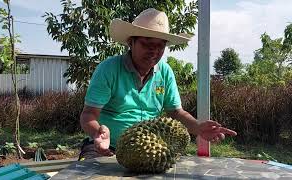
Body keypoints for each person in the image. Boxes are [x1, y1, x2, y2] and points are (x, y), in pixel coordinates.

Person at [79, 8, 237, 160]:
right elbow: (89, 114)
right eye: (146, 44)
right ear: (130, 42)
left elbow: (176, 112)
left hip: (149, 149)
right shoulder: (109, 69)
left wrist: (198, 127)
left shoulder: (165, 72)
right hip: (106, 147)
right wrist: (98, 135)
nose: (153, 51)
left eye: (160, 45)